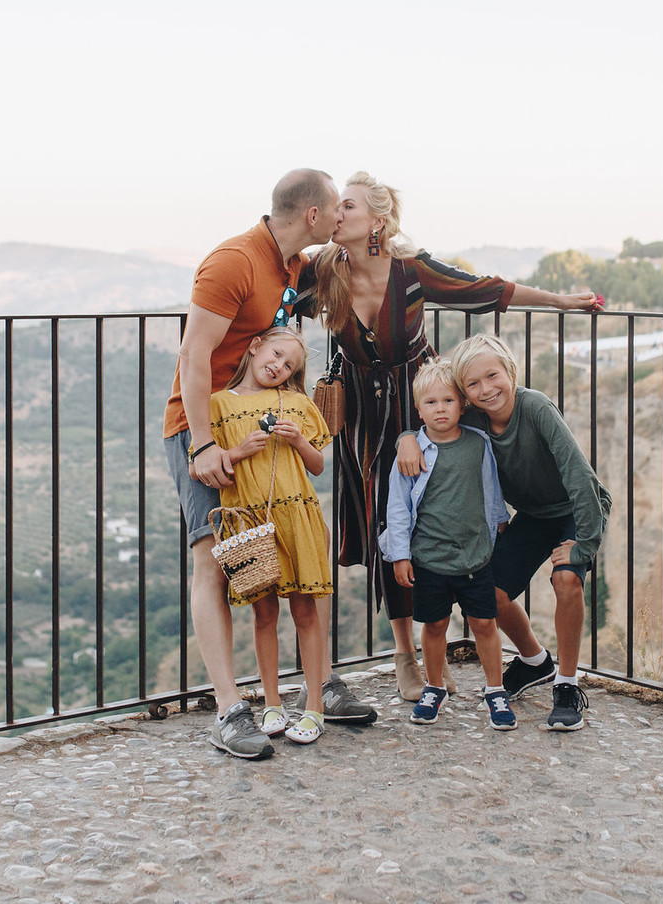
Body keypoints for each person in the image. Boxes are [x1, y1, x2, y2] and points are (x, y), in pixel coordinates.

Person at [298, 172, 601, 703]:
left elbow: (484, 290)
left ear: (378, 221)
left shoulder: (411, 272)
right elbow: (274, 305)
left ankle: (440, 646)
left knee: (429, 519)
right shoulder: (323, 269)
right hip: (362, 422)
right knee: (383, 524)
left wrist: (562, 302)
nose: (334, 213)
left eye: (346, 205)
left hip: (423, 409)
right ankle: (405, 654)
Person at [164, 169, 376, 763]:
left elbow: (362, 270)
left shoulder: (291, 265)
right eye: (337, 210)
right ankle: (231, 710)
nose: (340, 220)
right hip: (201, 427)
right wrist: (203, 446)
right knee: (215, 559)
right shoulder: (233, 262)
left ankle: (319, 684)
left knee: (296, 558)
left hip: (255, 432)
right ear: (313, 215)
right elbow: (193, 353)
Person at [397, 332, 611, 732]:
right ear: (465, 394)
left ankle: (566, 685)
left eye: (492, 376)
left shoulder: (536, 408)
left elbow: (580, 478)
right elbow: (431, 421)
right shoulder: (474, 416)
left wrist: (585, 543)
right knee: (491, 593)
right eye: (473, 384)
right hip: (532, 514)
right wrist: (405, 438)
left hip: (573, 509)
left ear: (510, 371)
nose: (486, 390)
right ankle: (534, 662)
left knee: (566, 580)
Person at [210, 326, 335, 744]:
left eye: (289, 366)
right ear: (255, 346)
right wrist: (235, 452)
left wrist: (299, 439)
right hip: (247, 522)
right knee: (263, 615)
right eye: (277, 355)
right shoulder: (218, 404)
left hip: (297, 515)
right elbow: (205, 466)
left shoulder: (298, 403)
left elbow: (317, 466)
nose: (279, 367)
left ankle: (314, 707)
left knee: (306, 612)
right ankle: (272, 705)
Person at [382, 359, 516, 731]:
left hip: (475, 555)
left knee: (485, 624)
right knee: (435, 624)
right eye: (430, 403)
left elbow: (491, 489)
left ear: (462, 405)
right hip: (430, 558)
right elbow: (398, 508)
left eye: (448, 401)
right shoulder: (411, 454)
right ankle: (434, 686)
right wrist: (400, 555)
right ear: (418, 409)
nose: (440, 409)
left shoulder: (479, 444)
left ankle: (495, 690)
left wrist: (500, 522)